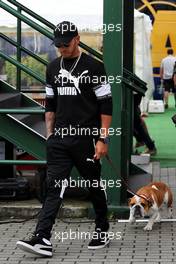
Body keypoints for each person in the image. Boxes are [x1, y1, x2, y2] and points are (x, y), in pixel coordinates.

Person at [16, 21, 113, 257]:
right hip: (59, 138)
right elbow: (50, 105)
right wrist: (50, 134)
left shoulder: (95, 67)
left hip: (86, 139)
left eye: (65, 44)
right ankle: (42, 238)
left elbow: (106, 105)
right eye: (57, 44)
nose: (61, 48)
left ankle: (102, 227)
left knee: (93, 185)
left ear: (77, 39)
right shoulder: (52, 67)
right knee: (54, 188)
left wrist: (103, 139)